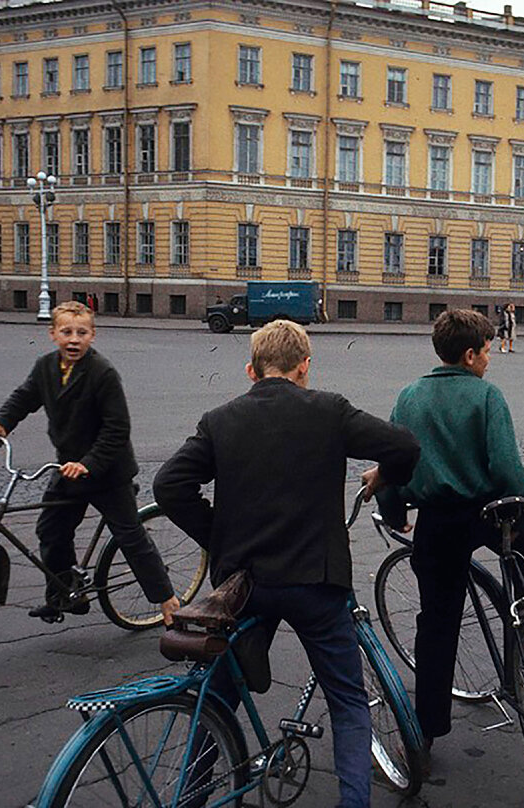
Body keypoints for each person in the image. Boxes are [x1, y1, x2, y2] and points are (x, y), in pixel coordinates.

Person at [153, 320, 420, 808]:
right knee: (347, 702)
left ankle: (190, 796)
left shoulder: (220, 419)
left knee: (220, 697)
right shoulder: (328, 410)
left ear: (251, 370)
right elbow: (405, 447)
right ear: (305, 367)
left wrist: (218, 536)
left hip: (243, 584)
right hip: (315, 581)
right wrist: (384, 476)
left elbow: (168, 487)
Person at [375, 309, 524, 768]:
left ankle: (425, 733)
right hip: (487, 515)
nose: (489, 360)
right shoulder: (486, 396)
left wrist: (395, 514)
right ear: (470, 355)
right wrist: (522, 497)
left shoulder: (409, 397)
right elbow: (508, 469)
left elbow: (394, 463)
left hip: (438, 522)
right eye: (487, 352)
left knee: (437, 625)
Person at [0, 301, 179, 623]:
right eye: (66, 332)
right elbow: (24, 397)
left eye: (81, 333)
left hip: (108, 473)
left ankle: (168, 602)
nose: (74, 339)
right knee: (51, 530)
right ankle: (64, 596)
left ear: (93, 335)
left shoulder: (103, 373)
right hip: (68, 469)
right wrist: (0, 423)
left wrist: (89, 463)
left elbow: (117, 429)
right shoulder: (45, 367)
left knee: (130, 537)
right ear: (53, 334)